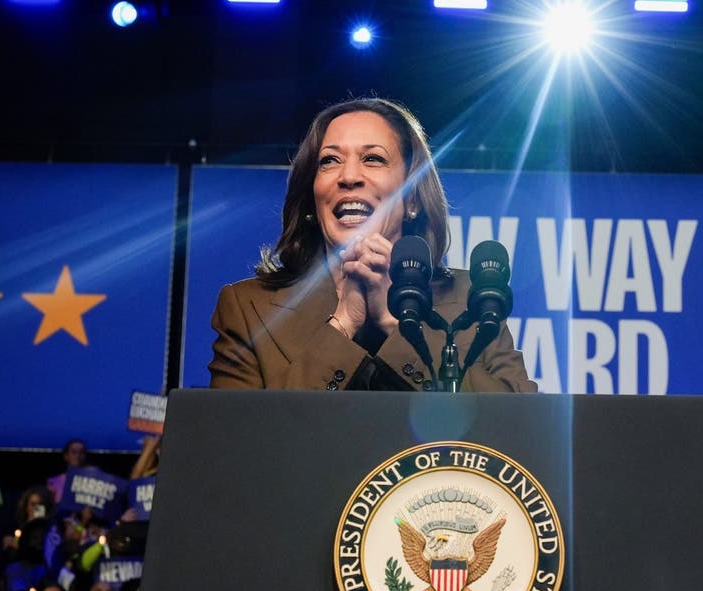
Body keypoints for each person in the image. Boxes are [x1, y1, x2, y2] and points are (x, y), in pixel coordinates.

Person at [208, 97, 535, 393]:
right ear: (311, 197)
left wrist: (399, 324)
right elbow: (242, 444)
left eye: (373, 159)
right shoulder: (247, 309)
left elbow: (516, 426)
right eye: (329, 161)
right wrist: (344, 322)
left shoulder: (471, 299)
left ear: (413, 200)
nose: (348, 176)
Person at [47, 439, 88, 504]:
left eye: (81, 452)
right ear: (66, 456)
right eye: (74, 452)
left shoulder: (92, 482)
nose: (77, 456)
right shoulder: (54, 482)